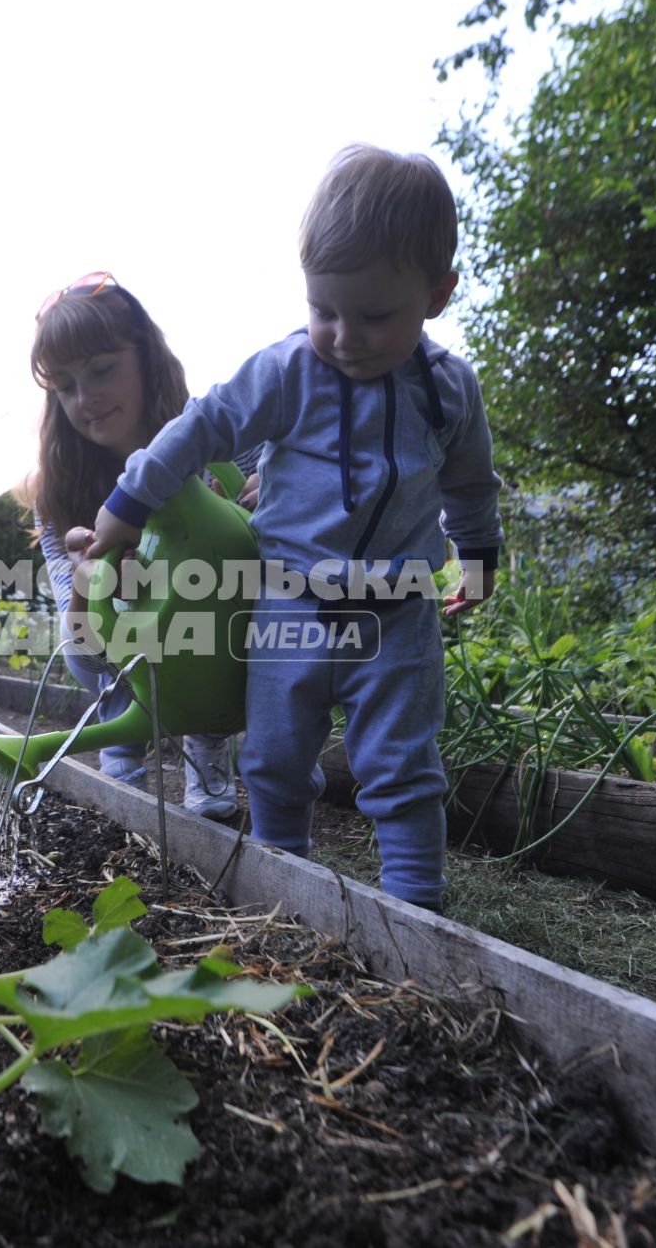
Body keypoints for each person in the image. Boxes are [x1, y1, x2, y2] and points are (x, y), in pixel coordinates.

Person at [88, 146, 503, 909]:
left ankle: (417, 908)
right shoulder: (287, 372)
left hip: (397, 613)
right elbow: (201, 426)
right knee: (275, 757)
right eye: (324, 310)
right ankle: (284, 886)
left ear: (437, 295)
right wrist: (130, 500)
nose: (345, 335)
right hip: (289, 606)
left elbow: (470, 483)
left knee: (401, 765)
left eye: (376, 315)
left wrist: (477, 556)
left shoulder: (449, 391)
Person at [16, 272, 243, 820]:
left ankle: (208, 739)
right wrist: (88, 586)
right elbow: (85, 653)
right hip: (122, 658)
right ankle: (121, 757)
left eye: (101, 370)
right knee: (105, 634)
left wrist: (263, 507)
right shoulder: (62, 498)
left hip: (221, 636)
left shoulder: (221, 443)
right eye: (65, 386)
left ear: (146, 358)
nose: (85, 399)